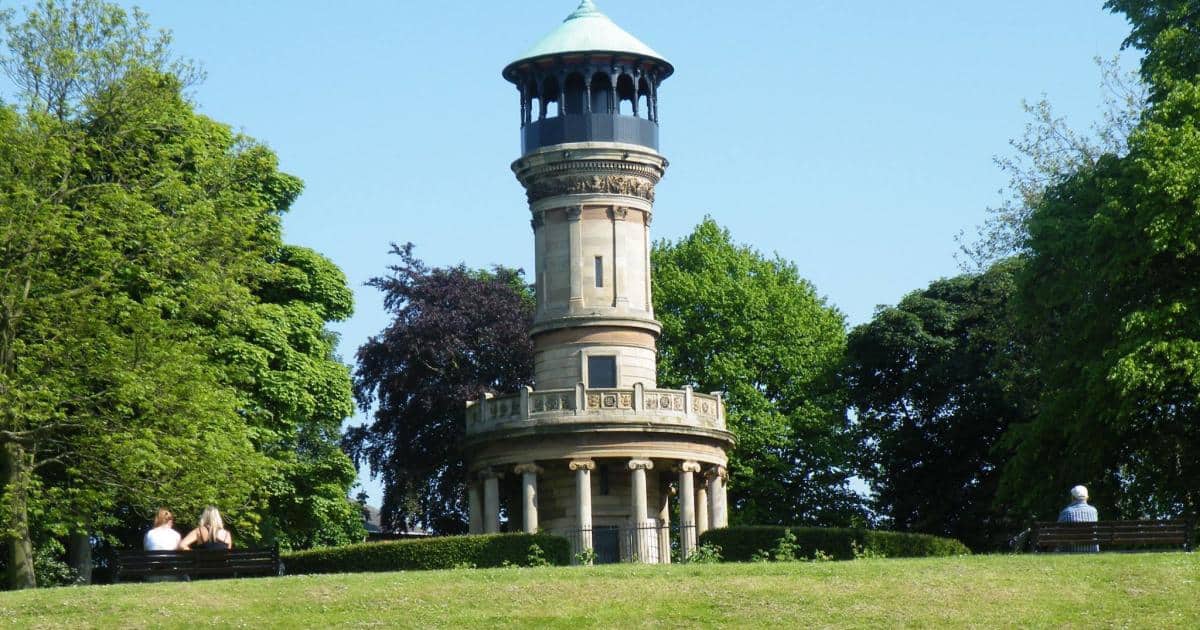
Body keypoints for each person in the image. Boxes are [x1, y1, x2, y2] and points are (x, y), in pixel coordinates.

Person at [1057, 485, 1099, 552]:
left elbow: (1058, 531)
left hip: (1071, 550)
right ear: (1087, 497)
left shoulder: (1066, 512)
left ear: (1072, 498)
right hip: (1092, 549)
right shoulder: (1094, 511)